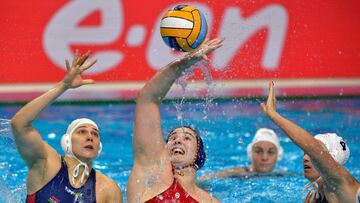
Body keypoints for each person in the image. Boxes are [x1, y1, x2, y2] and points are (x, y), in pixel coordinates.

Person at [11, 51, 122, 202]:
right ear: (67, 141)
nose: (90, 137)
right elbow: (19, 125)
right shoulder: (46, 164)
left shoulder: (108, 189)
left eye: (95, 134)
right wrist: (63, 86)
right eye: (82, 132)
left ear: (99, 147)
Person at [126, 38, 223, 203]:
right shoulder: (149, 177)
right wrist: (184, 63)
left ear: (198, 155)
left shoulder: (211, 201)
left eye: (187, 138)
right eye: (172, 138)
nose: (177, 140)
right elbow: (148, 99)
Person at [261, 81, 360, 203]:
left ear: (332, 160)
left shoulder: (343, 185)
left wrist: (274, 115)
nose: (305, 158)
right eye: (305, 153)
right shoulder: (313, 196)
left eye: (311, 154)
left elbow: (316, 150)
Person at [198, 128, 283, 182]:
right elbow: (204, 179)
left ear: (278, 155)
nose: (264, 157)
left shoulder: (282, 175)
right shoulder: (236, 173)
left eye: (270, 152)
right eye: (258, 151)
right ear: (250, 153)